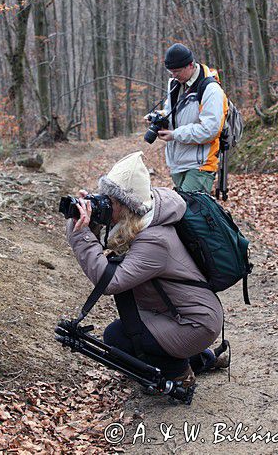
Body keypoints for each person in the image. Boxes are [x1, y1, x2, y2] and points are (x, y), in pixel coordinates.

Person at [66, 151, 224, 388]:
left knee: (117, 337)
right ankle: (202, 359)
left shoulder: (155, 240)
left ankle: (180, 374)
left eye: (111, 201)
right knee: (130, 324)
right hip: (179, 314)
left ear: (128, 205)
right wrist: (94, 219)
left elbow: (110, 282)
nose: (105, 205)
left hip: (194, 324)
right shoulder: (143, 218)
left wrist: (80, 234)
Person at [157, 43, 228, 194]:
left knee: (191, 214)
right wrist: (160, 118)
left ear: (190, 65)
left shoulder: (211, 89)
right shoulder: (175, 85)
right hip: (178, 162)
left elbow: (210, 130)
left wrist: (175, 134)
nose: (173, 75)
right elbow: (172, 113)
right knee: (184, 212)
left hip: (200, 164)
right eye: (170, 71)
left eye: (177, 71)